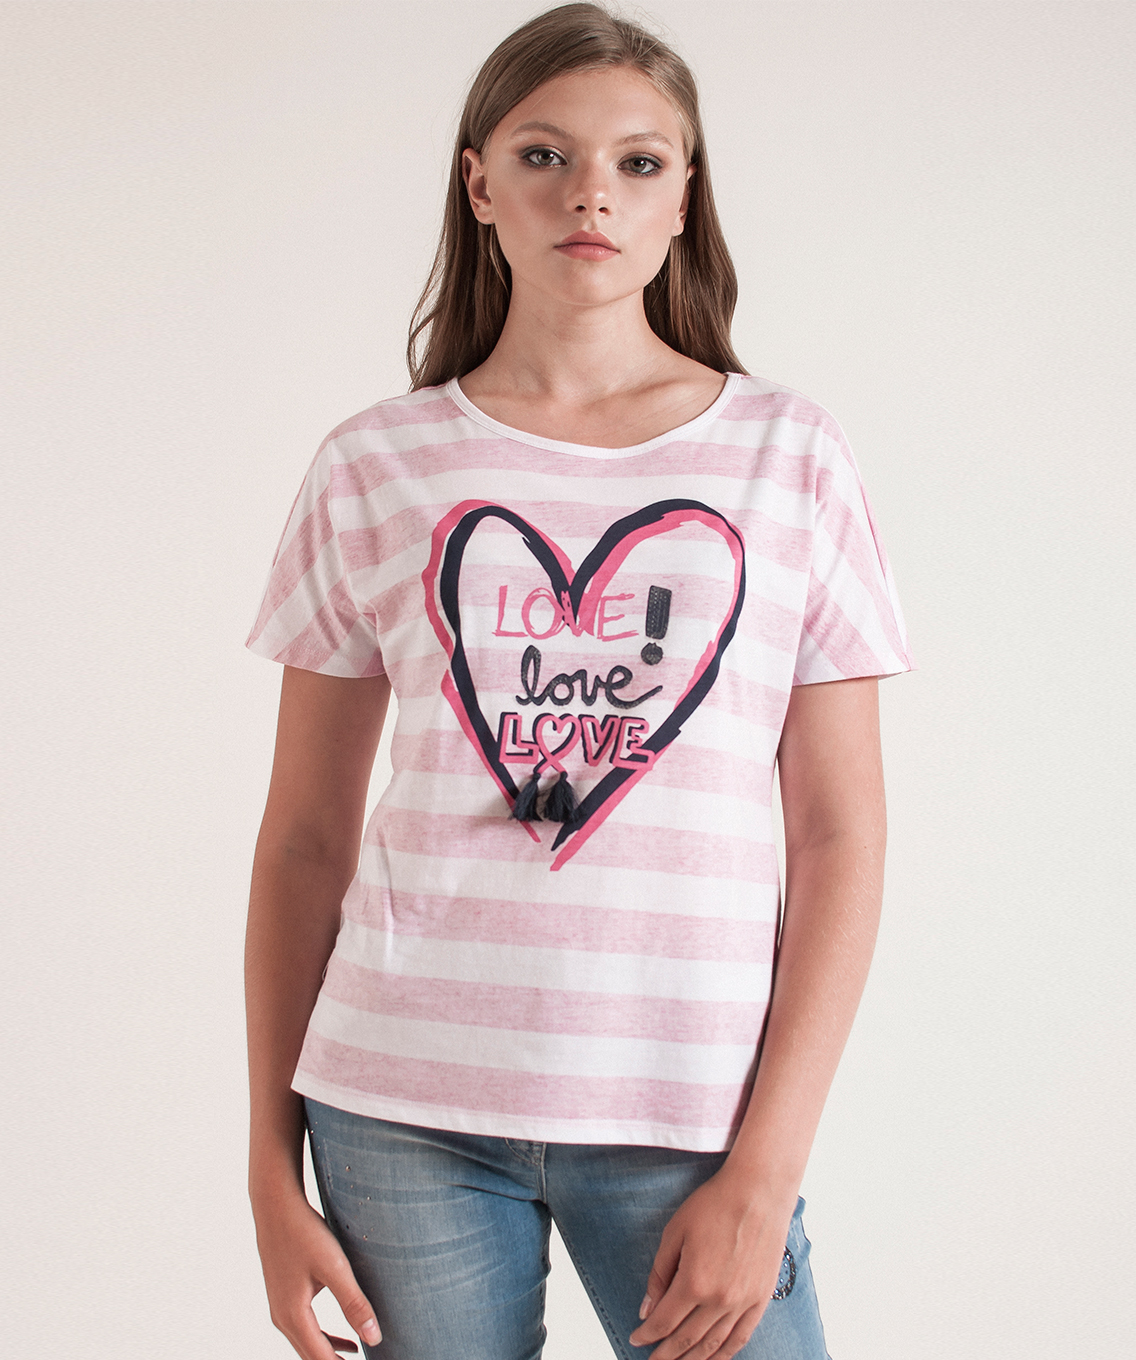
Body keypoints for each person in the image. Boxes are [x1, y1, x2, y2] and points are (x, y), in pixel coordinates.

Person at [244, 5, 912, 1359]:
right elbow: (306, 834)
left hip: (692, 1115)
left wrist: (769, 1165)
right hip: (400, 1107)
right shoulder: (376, 464)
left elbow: (840, 832)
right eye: (544, 155)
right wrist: (269, 1162)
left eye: (638, 162)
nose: (591, 194)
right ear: (479, 184)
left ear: (684, 199)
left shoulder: (787, 455)